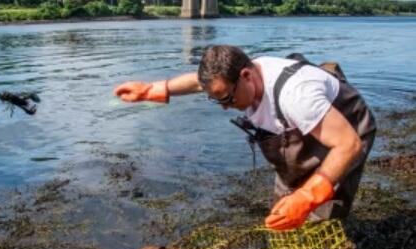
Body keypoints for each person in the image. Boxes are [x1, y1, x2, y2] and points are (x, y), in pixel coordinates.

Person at [113, 45, 376, 231]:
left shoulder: (297, 97)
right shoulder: (231, 76)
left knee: (320, 217)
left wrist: (309, 196)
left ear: (247, 76)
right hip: (300, 129)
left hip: (344, 131)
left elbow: (348, 144)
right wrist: (152, 90)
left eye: (227, 98)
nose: (225, 106)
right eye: (217, 100)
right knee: (283, 215)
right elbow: (198, 82)